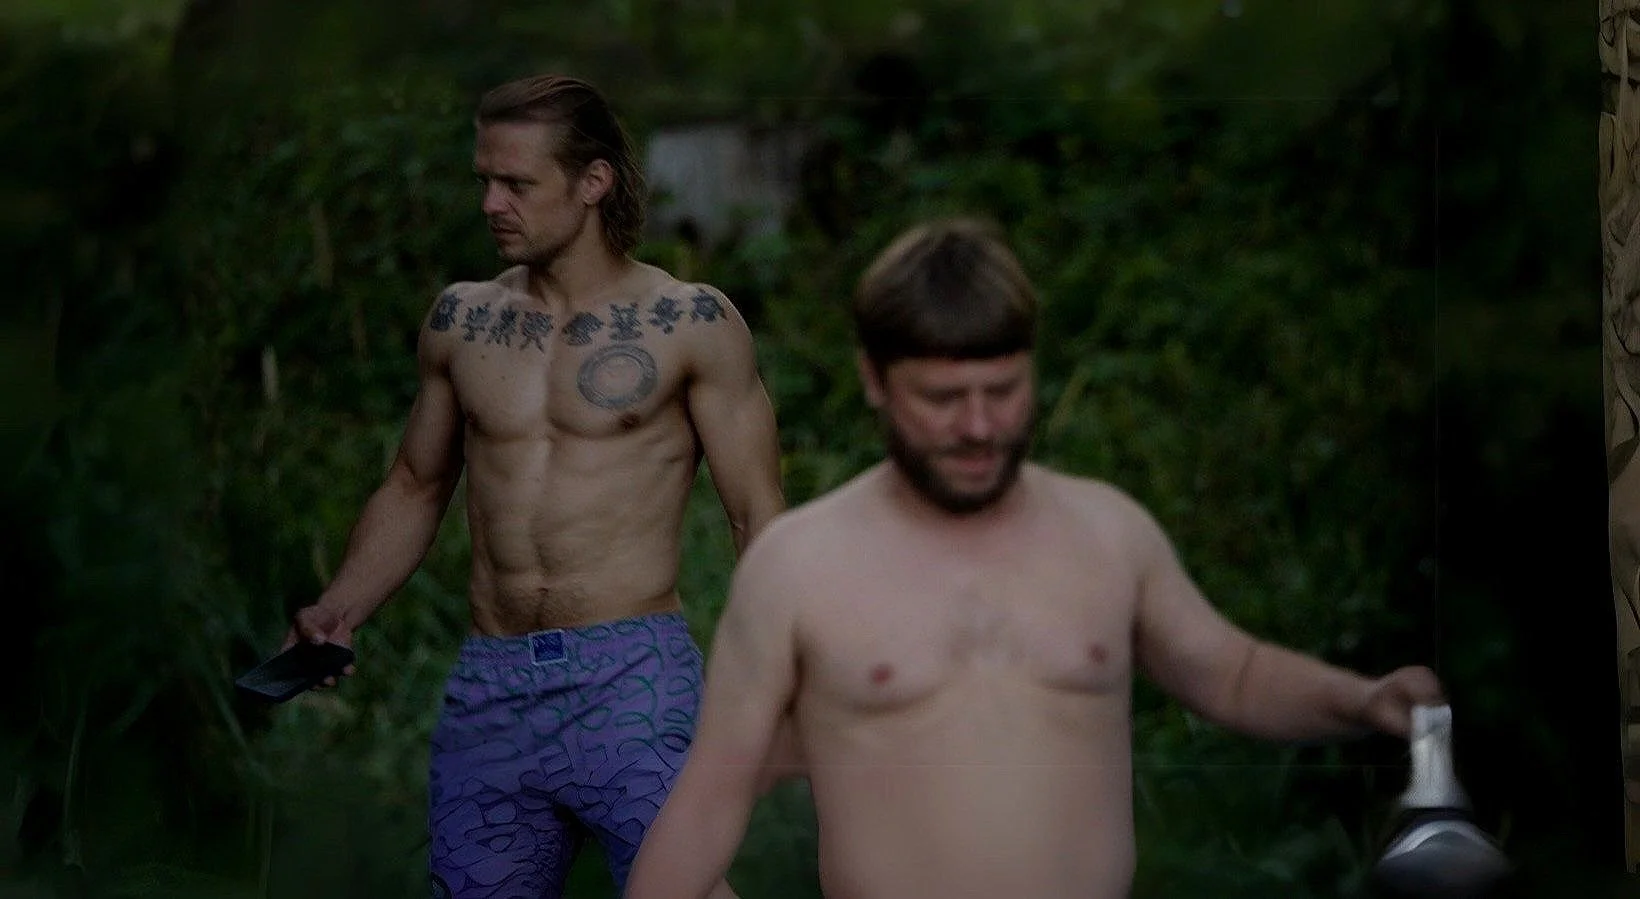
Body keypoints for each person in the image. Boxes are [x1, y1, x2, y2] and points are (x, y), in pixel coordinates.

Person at [623, 217, 1446, 899]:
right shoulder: (799, 565)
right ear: (875, 380)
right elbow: (711, 797)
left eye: (1004, 390)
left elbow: (1232, 674)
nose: (980, 426)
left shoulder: (1107, 534)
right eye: (944, 399)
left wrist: (1363, 698)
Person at [281, 74, 790, 898]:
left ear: (594, 182)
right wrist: (341, 606)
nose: (491, 203)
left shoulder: (691, 322)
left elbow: (754, 512)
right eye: (484, 180)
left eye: (517, 184)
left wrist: (786, 666)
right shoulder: (461, 320)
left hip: (630, 677)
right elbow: (415, 484)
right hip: (492, 684)